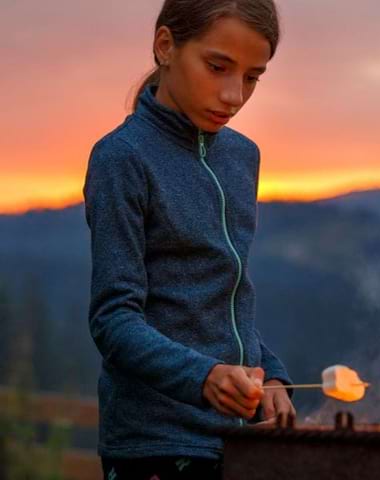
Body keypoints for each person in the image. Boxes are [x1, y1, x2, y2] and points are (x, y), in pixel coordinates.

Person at [82, 1, 295, 478]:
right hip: (153, 446)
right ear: (166, 46)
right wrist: (203, 377)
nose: (234, 95)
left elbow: (224, 301)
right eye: (217, 67)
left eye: (251, 77)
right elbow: (113, 319)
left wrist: (273, 372)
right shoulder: (122, 158)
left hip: (239, 442)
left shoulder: (242, 157)